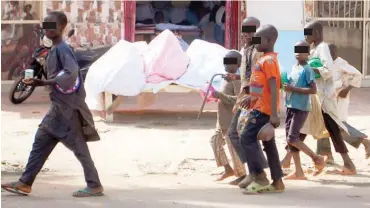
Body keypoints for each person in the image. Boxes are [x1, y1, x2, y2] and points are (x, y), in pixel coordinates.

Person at [1, 11, 104, 197]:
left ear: (62, 27)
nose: (47, 29)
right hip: (59, 108)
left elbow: (70, 73)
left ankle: (94, 184)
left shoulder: (62, 49)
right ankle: (25, 182)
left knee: (78, 149)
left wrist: (44, 83)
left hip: (66, 110)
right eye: (45, 24)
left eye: (52, 25)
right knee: (41, 142)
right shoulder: (53, 49)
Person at [302, 21, 357, 175]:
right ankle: (298, 159)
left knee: (332, 128)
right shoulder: (314, 49)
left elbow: (327, 71)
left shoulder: (323, 48)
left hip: (324, 96)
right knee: (305, 126)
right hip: (316, 96)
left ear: (317, 33)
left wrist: (309, 69)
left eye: (308, 33)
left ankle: (349, 163)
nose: (305, 36)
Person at [240, 24, 285, 194]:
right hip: (260, 106)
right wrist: (252, 96)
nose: (255, 41)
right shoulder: (264, 59)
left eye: (259, 38)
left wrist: (274, 113)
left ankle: (259, 176)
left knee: (246, 138)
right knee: (268, 144)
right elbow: (261, 84)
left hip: (263, 110)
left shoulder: (269, 61)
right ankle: (278, 181)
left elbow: (274, 87)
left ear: (269, 40)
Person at [227, 16, 268, 189]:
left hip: (255, 98)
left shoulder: (259, 50)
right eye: (244, 29)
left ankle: (258, 173)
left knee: (242, 135)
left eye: (251, 30)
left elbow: (261, 77)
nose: (246, 33)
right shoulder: (246, 49)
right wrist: (236, 78)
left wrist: (252, 96)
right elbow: (247, 74)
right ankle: (256, 171)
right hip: (245, 96)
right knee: (236, 134)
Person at [282, 40, 328, 180]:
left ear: (308, 54)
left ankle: (317, 158)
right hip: (290, 105)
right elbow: (291, 84)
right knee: (290, 140)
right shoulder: (294, 67)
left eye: (302, 51)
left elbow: (313, 90)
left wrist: (293, 89)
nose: (298, 54)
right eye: (296, 50)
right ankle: (299, 172)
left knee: (292, 138)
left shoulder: (307, 69)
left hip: (301, 107)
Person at [325, 44, 369, 158]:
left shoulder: (340, 62)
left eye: (334, 52)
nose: (332, 55)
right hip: (329, 98)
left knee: (339, 125)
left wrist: (346, 89)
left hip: (340, 98)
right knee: (332, 125)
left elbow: (358, 75)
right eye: (330, 53)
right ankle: (327, 155)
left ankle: (365, 142)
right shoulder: (327, 63)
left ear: (337, 52)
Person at [210, 50, 246, 185]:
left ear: (237, 63)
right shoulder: (226, 77)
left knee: (233, 148)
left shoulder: (237, 80)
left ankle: (242, 174)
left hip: (232, 120)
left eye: (229, 61)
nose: (225, 64)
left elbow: (238, 99)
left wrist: (220, 96)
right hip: (222, 119)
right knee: (215, 141)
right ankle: (227, 168)